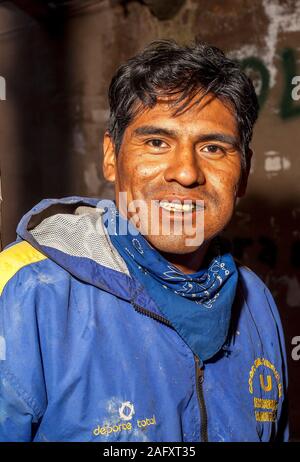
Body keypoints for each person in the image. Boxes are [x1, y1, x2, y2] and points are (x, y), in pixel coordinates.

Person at [0, 40, 288, 442]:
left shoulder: (255, 301)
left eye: (212, 147)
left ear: (243, 173)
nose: (186, 173)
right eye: (156, 142)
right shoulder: (27, 291)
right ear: (111, 157)